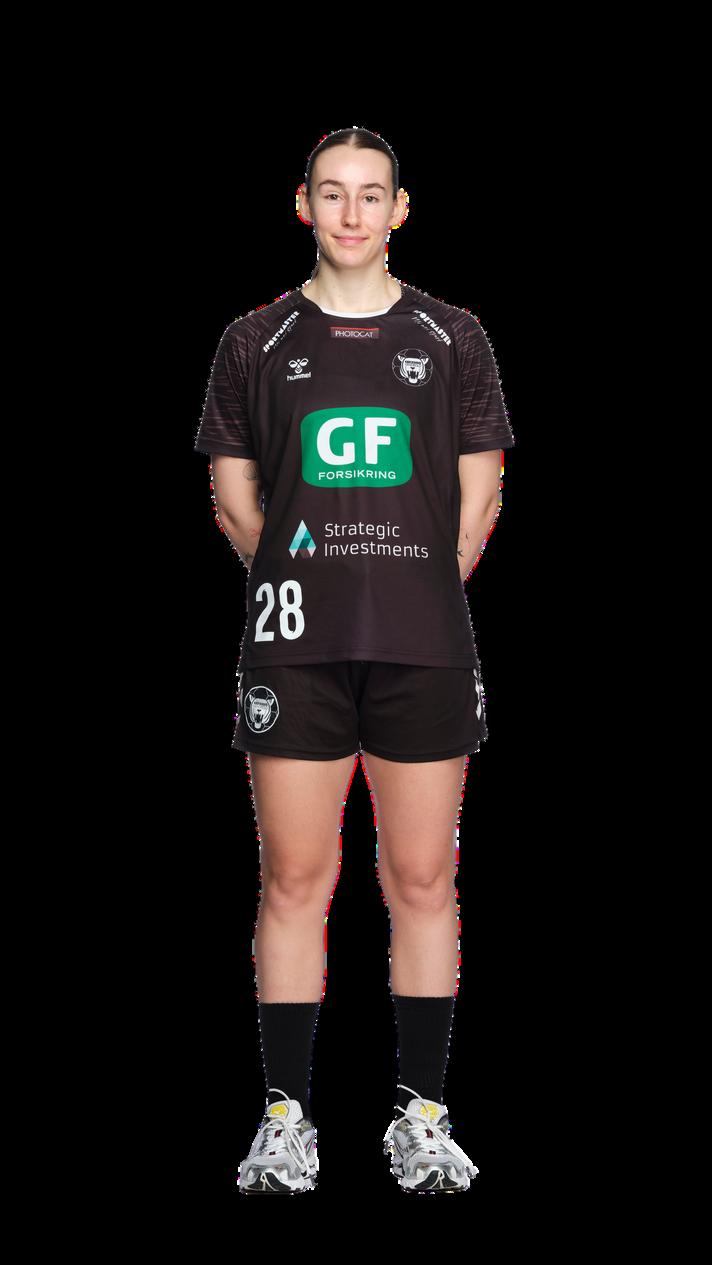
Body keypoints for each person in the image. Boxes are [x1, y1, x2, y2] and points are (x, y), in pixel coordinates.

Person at [193, 127, 515, 1194]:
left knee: (422, 876)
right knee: (294, 878)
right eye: (331, 193)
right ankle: (287, 1118)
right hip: (295, 645)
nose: (350, 213)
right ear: (303, 205)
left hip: (424, 646)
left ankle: (420, 1116)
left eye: (370, 195)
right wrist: (315, 573)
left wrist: (419, 577)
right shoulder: (254, 339)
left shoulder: (454, 335)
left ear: (398, 210)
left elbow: (479, 488)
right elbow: (234, 495)